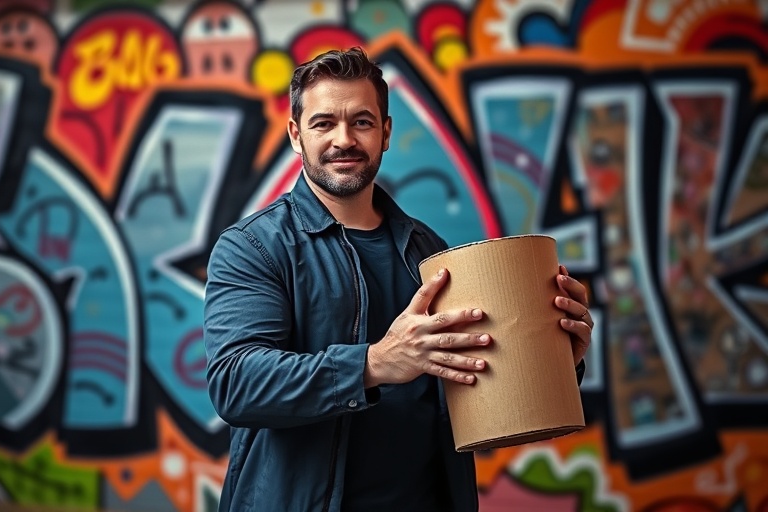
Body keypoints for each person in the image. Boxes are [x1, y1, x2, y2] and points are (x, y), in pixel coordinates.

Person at [203, 47, 593, 512]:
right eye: (324, 123)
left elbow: (473, 383)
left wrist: (551, 355)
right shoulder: (253, 247)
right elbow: (236, 383)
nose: (343, 139)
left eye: (362, 122)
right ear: (295, 135)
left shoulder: (429, 252)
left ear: (385, 133)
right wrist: (373, 364)